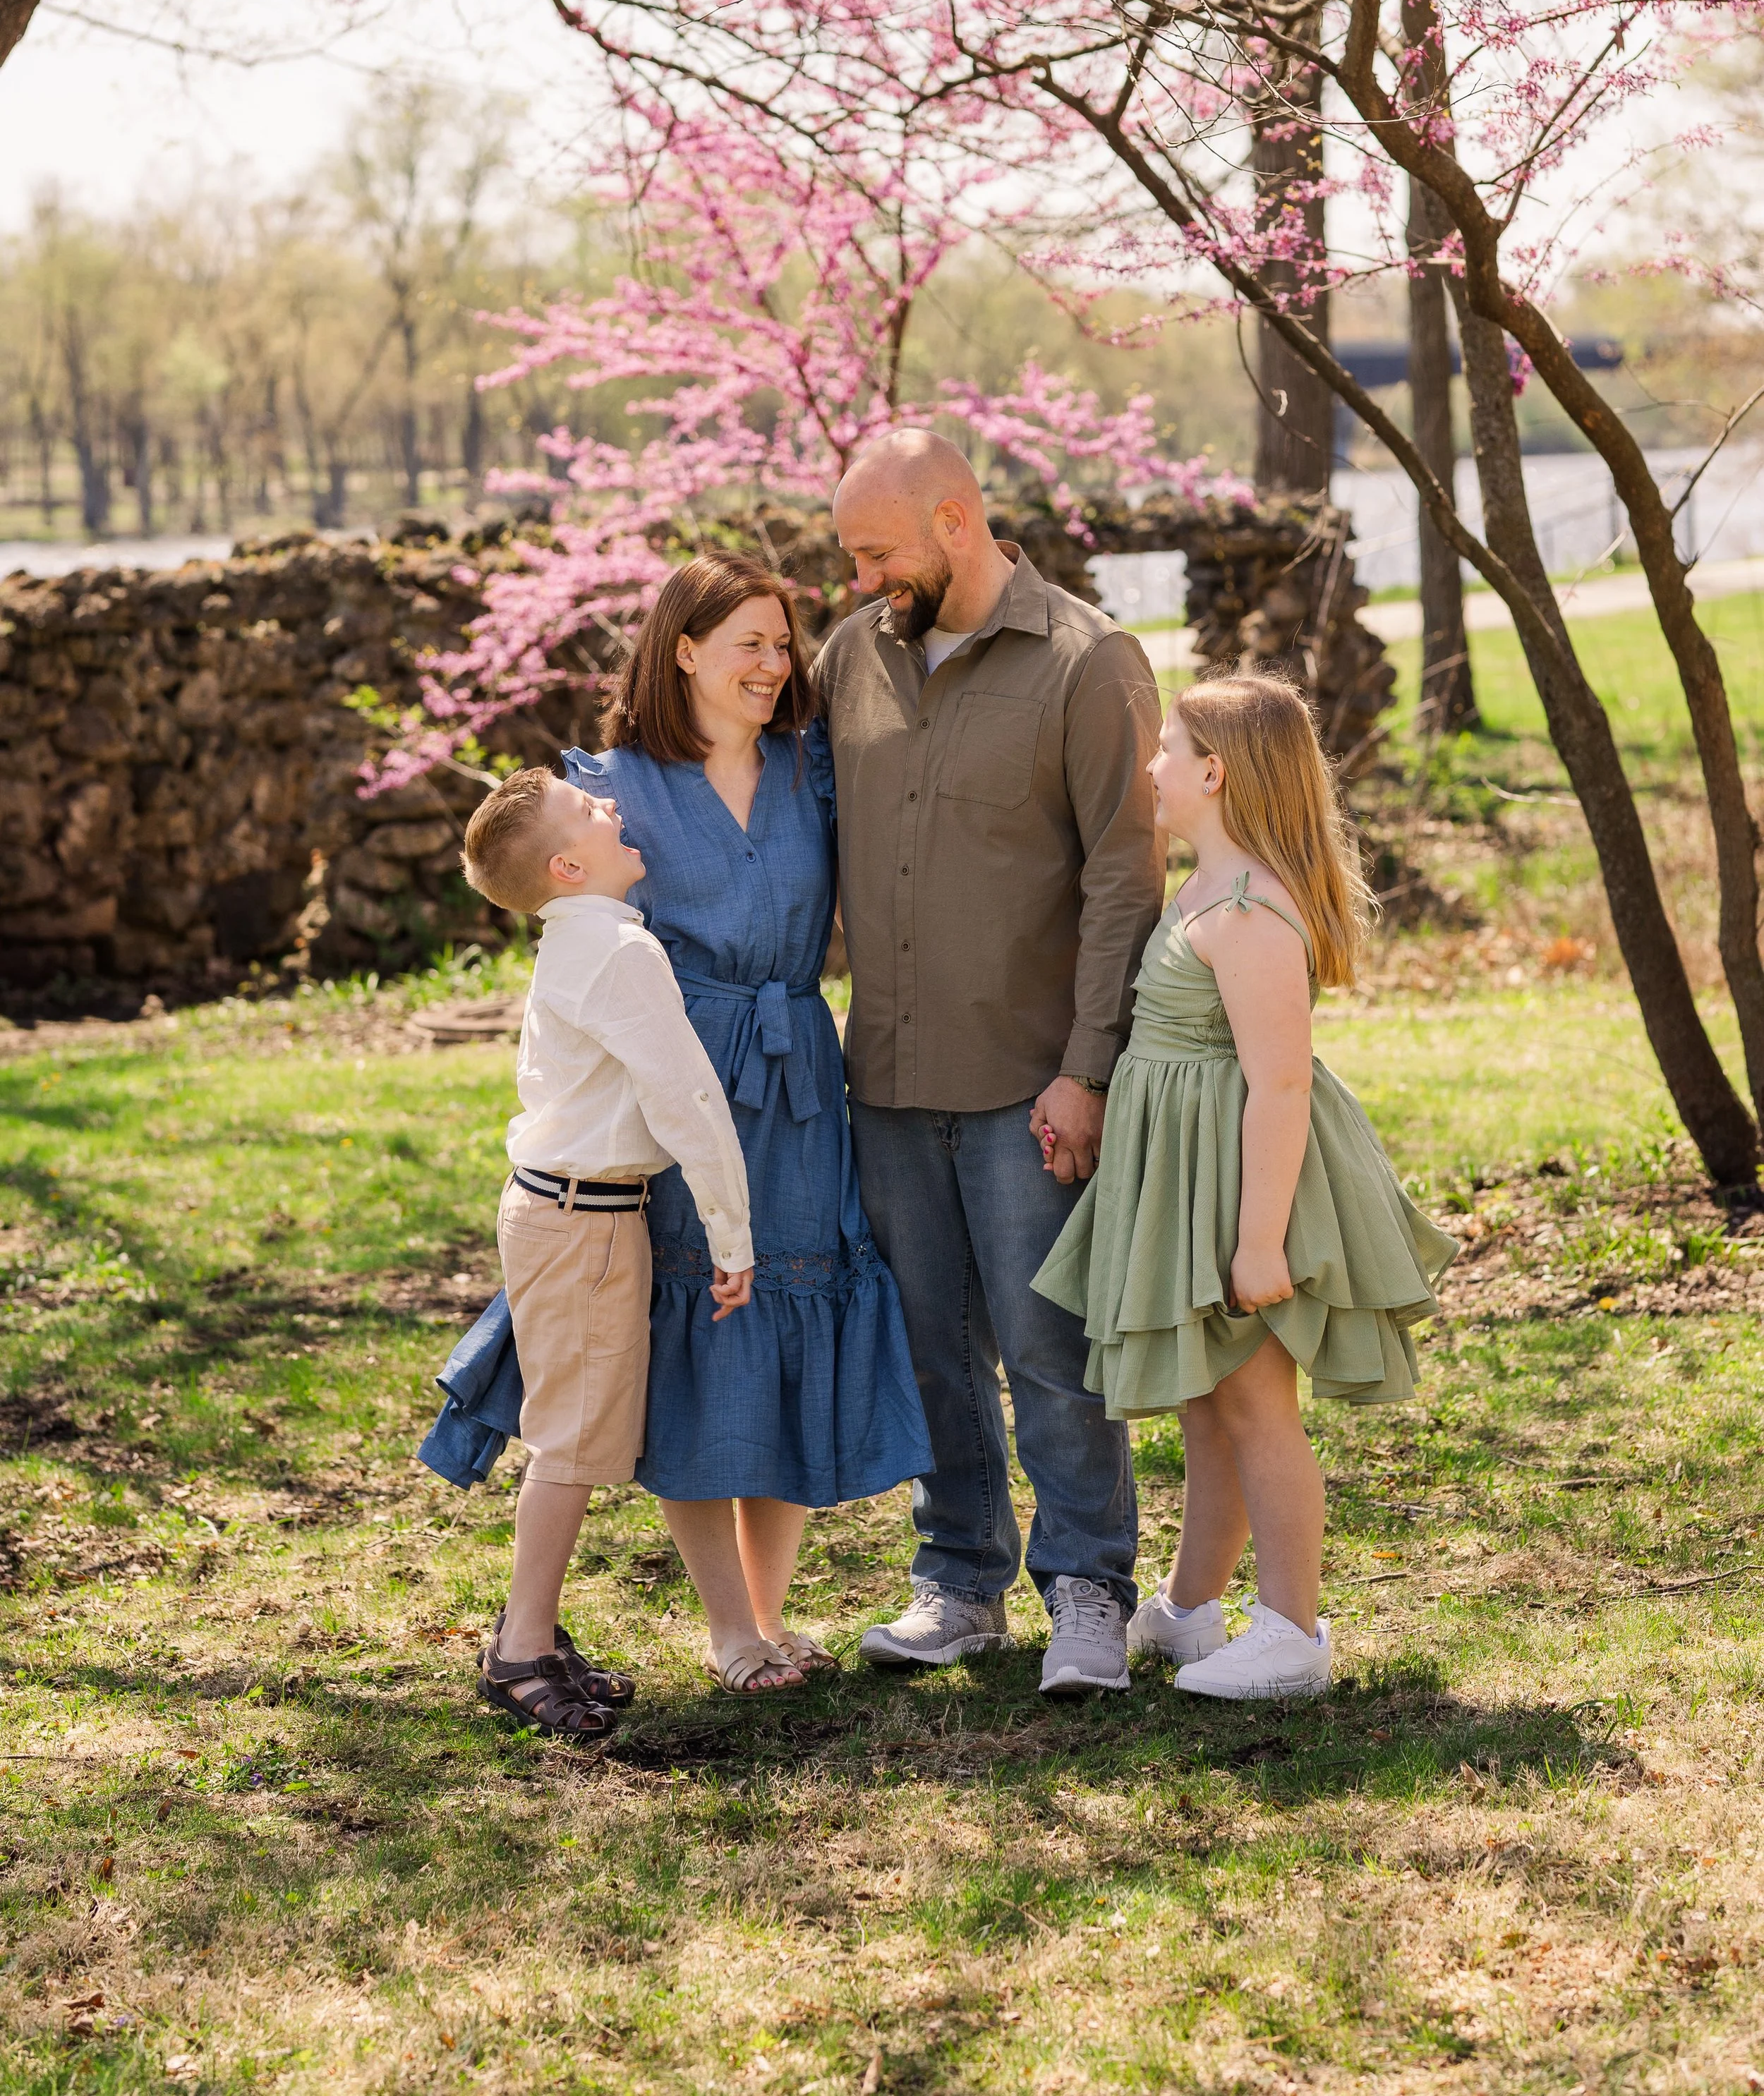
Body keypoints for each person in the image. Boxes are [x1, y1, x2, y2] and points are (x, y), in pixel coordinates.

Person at [818, 430, 1166, 1697]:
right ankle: (960, 1581)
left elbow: (1128, 880)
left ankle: (1088, 1592)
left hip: (1032, 1080)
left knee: (1049, 1350)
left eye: (876, 551)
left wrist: (1088, 1068)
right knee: (928, 1349)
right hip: (888, 1081)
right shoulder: (851, 659)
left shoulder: (1087, 661)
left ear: (956, 520)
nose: (859, 577)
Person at [1032, 674, 1459, 1699]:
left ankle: (1294, 1631)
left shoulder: (1249, 909)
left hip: (1238, 1188)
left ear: (1214, 773)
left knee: (1260, 1408)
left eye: (1167, 749)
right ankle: (1188, 1608)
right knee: (1211, 1403)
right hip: (1189, 1178)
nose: (1151, 768)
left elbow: (1278, 1082)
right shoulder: (1200, 892)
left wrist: (1259, 1240)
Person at [564, 553, 931, 1695]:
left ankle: (772, 1618)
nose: (776, 667)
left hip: (802, 1076)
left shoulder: (811, 768)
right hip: (682, 1083)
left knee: (792, 1318)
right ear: (683, 650)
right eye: (750, 646)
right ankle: (727, 1628)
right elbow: (571, 944)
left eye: (785, 645)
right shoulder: (614, 786)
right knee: (703, 1327)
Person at [456, 766, 755, 1740]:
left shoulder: (585, 940)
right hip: (579, 1219)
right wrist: (732, 1232)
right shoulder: (619, 954)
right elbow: (687, 1101)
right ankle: (519, 1650)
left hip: (574, 1212)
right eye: (590, 811)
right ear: (567, 865)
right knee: (573, 1440)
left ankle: (533, 1631)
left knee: (574, 1432)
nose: (614, 805)